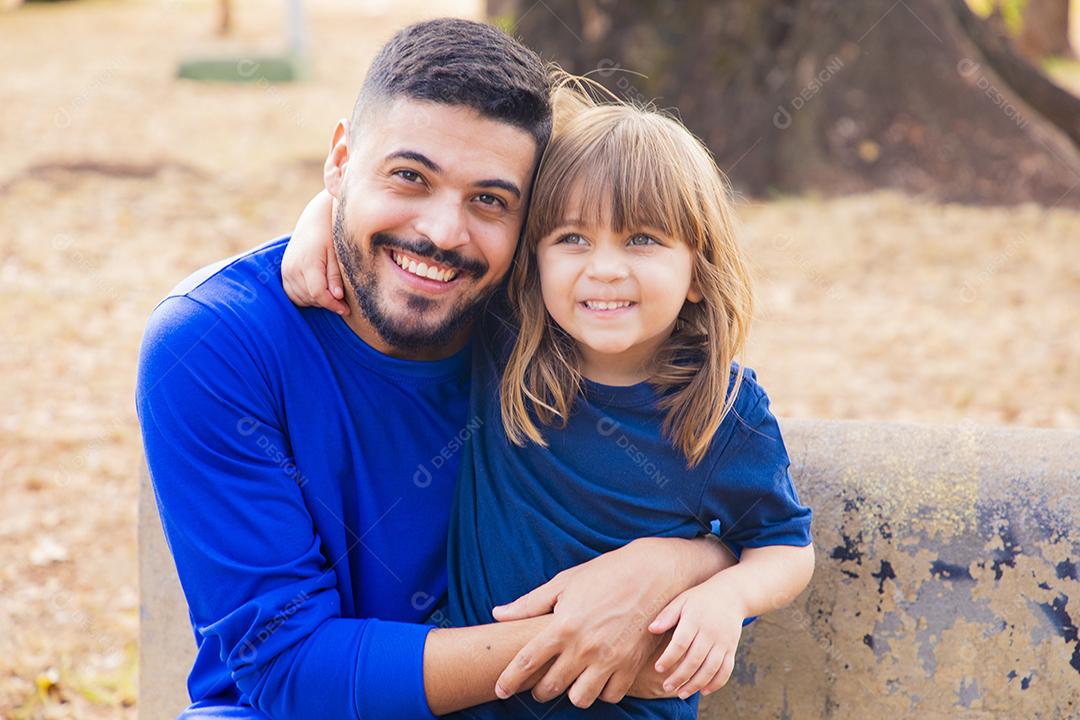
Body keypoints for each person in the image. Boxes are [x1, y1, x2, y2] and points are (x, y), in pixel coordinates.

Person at [137, 19, 743, 720]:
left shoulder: (547, 325)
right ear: (340, 161)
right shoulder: (217, 343)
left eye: (489, 199)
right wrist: (575, 634)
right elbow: (289, 671)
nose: (442, 232)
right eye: (408, 176)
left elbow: (728, 482)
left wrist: (683, 567)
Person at [280, 79, 816, 719]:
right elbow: (425, 241)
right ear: (534, 260)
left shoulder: (722, 412)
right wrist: (325, 211)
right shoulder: (512, 348)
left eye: (642, 240)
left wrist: (726, 597)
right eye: (573, 239)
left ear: (698, 271)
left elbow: (784, 545)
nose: (605, 269)